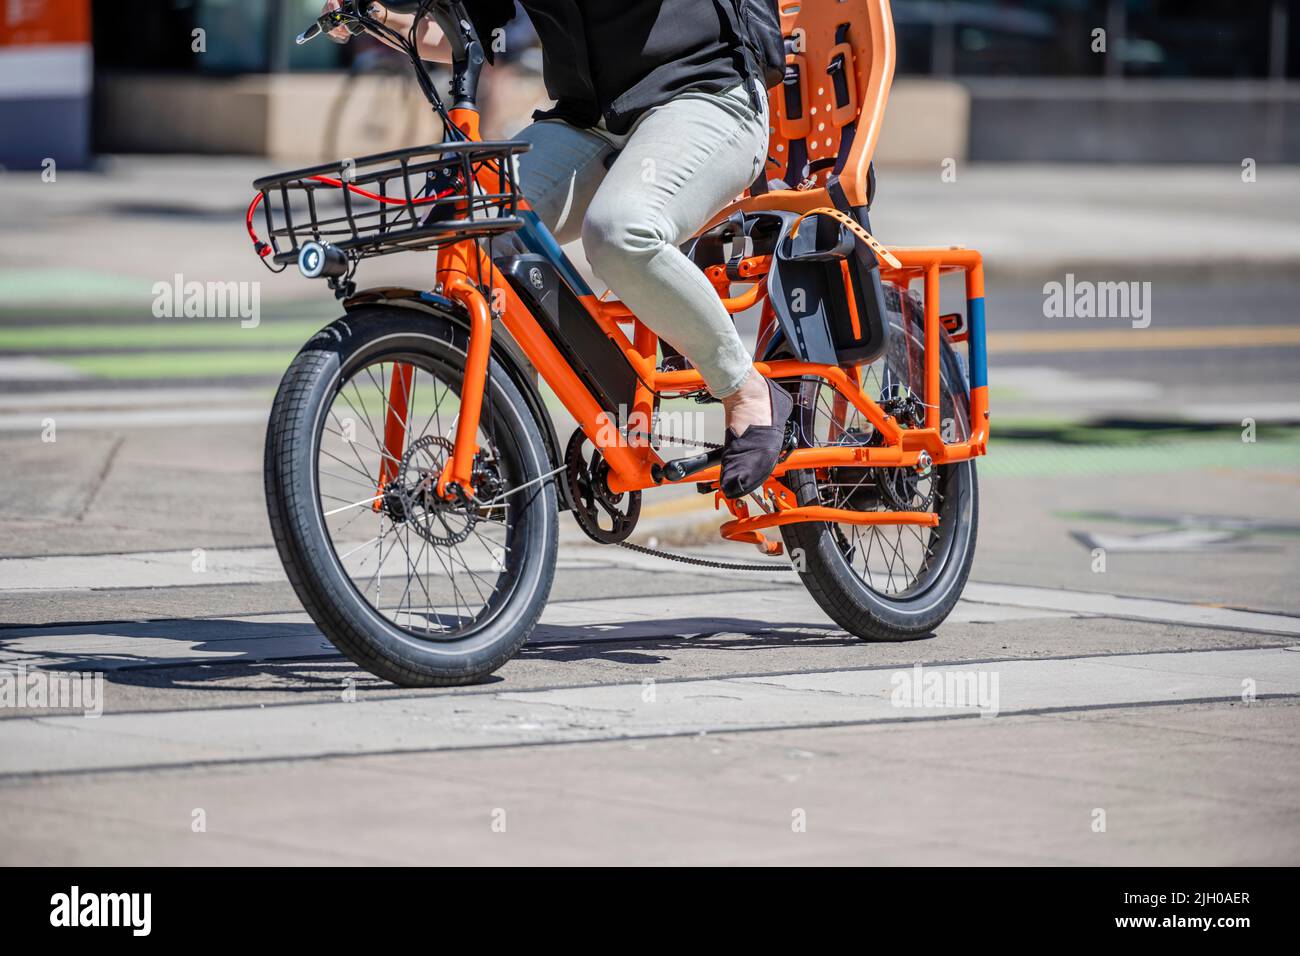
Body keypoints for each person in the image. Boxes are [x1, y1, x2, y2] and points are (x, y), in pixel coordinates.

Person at [324, 0, 792, 498]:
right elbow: (465, 35)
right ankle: (518, 436)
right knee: (481, 227)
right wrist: (383, 18)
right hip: (585, 121)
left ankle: (747, 390)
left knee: (619, 232)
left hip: (706, 95)